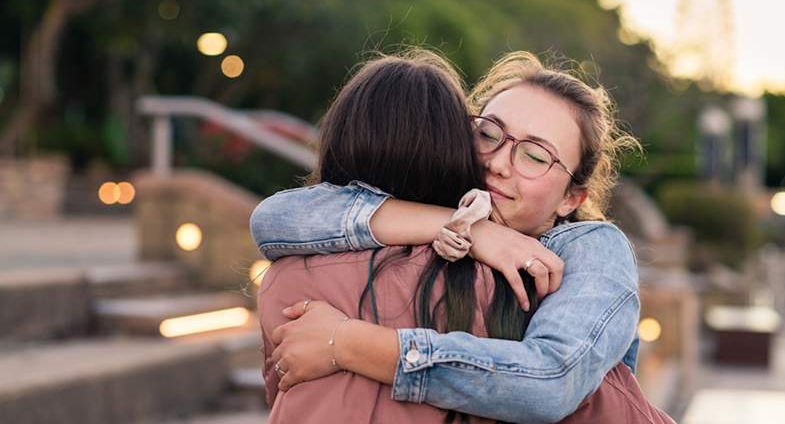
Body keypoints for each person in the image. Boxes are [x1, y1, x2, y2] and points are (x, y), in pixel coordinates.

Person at [254, 50, 674, 423]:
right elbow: (275, 218)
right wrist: (467, 230)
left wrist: (347, 342)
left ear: (571, 197)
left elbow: (551, 380)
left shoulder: (590, 248)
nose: (499, 164)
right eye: (489, 133)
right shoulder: (443, 240)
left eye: (534, 155)